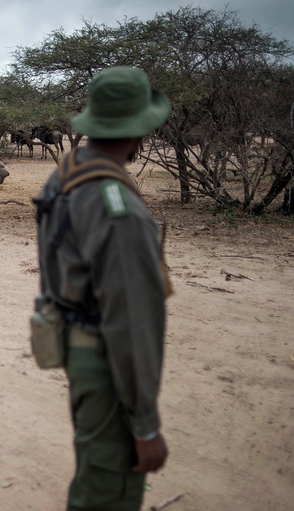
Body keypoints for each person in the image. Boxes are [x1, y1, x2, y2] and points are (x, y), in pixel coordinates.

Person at [33, 66, 172, 510]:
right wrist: (146, 425)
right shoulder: (119, 209)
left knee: (94, 475)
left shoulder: (67, 174)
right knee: (108, 493)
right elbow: (131, 322)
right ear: (140, 131)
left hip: (79, 351)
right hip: (109, 363)